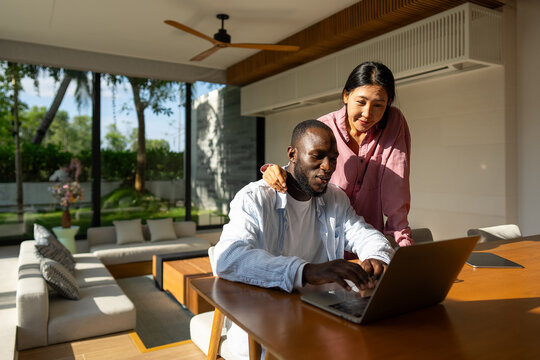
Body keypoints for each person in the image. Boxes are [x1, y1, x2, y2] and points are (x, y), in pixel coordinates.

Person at [215, 120, 394, 360]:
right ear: (292, 154)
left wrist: (377, 256)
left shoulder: (335, 198)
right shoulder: (254, 198)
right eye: (318, 156)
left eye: (333, 158)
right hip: (267, 330)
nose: (327, 167)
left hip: (326, 319)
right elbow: (229, 257)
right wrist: (305, 271)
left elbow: (363, 233)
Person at [263, 61, 413, 248]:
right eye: (361, 102)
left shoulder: (394, 123)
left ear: (388, 104)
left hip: (366, 243)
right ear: (346, 95)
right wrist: (273, 171)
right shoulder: (324, 128)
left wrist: (403, 243)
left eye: (378, 105)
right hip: (323, 243)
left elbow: (396, 185)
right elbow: (300, 172)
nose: (367, 113)